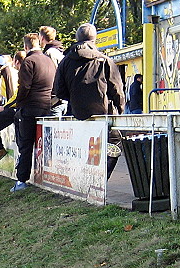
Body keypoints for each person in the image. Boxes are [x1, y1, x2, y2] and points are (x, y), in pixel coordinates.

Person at [54, 22, 125, 179]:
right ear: (94, 39)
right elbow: (117, 89)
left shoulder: (65, 62)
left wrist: (74, 99)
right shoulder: (104, 60)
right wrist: (119, 110)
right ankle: (99, 180)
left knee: (79, 149)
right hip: (103, 113)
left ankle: (81, 180)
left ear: (77, 39)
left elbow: (59, 91)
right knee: (114, 146)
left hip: (76, 113)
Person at [11, 33, 57, 192]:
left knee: (25, 145)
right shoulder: (49, 61)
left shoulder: (28, 62)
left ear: (25, 47)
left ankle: (21, 180)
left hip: (30, 109)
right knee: (45, 145)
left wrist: (19, 104)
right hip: (47, 107)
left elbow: (24, 87)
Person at [39, 25, 67, 117]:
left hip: (55, 101)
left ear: (42, 37)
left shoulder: (49, 53)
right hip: (63, 99)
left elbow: (52, 76)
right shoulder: (59, 51)